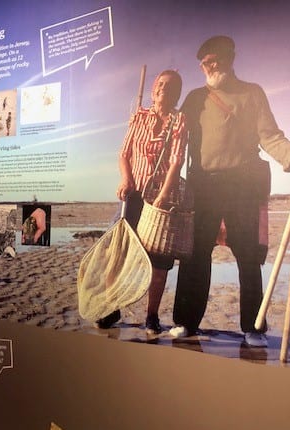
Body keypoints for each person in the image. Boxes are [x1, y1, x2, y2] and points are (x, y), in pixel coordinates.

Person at [171, 36, 290, 347]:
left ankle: (253, 327)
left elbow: (270, 137)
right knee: (195, 255)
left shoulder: (252, 93)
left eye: (214, 60)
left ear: (230, 58)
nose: (209, 67)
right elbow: (174, 137)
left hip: (243, 183)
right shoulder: (194, 98)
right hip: (203, 184)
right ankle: (186, 322)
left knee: (249, 256)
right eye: (204, 63)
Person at [95, 69, 188, 334]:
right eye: (160, 84)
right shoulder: (139, 116)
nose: (163, 89)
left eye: (170, 86)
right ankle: (111, 307)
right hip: (132, 196)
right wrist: (126, 180)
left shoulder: (180, 120)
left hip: (161, 199)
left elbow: (175, 162)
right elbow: (124, 153)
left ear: (178, 93)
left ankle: (152, 317)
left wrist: (161, 196)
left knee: (159, 261)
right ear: (152, 89)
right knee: (117, 252)